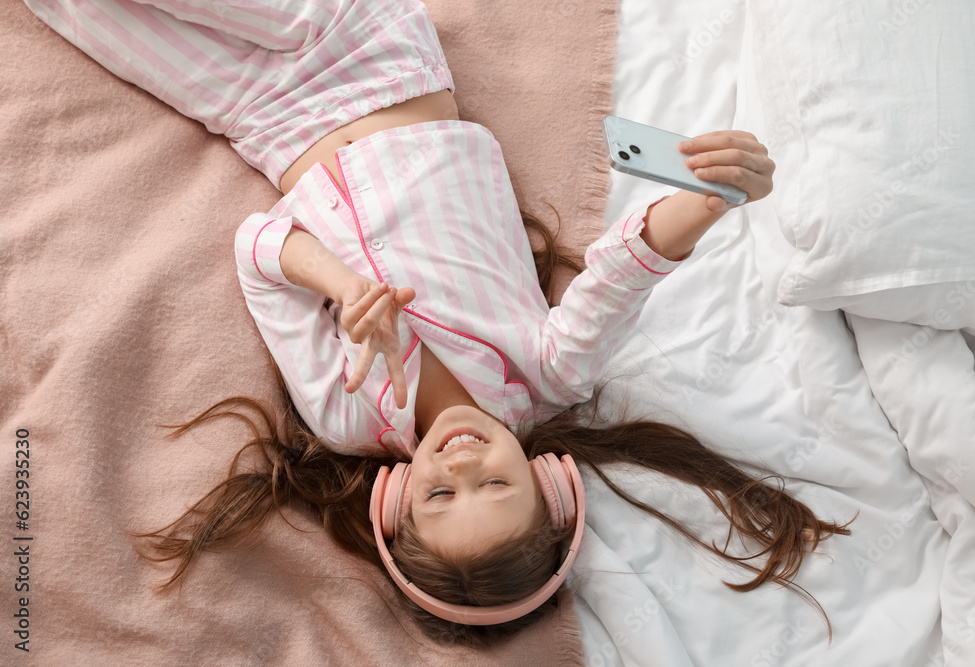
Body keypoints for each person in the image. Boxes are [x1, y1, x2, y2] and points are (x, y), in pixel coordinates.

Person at [25, 0, 849, 646]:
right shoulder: (548, 372)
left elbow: (257, 247)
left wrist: (342, 287)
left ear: (395, 502)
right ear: (550, 482)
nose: (460, 464)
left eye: (440, 496)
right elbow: (625, 270)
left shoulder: (349, 414)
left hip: (263, 120)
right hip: (365, 50)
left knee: (70, 9)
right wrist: (711, 198)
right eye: (496, 484)